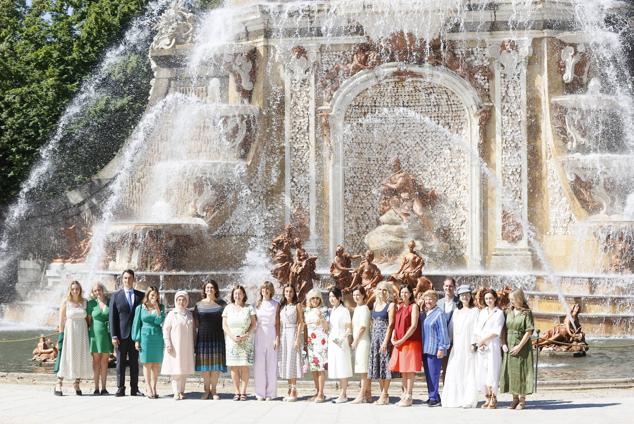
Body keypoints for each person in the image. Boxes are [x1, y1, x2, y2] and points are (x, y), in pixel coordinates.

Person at [442, 284, 480, 408]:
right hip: (458, 346)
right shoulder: (456, 312)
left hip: (469, 345)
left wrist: (475, 343)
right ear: (459, 296)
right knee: (456, 370)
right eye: (462, 295)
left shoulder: (475, 311)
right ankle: (456, 398)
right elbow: (451, 329)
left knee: (469, 371)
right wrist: (446, 343)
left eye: (467, 294)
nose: (465, 297)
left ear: (470, 296)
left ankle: (468, 399)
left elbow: (477, 329)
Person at [109, 269, 144, 396]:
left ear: (134, 279)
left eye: (129, 278)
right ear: (122, 279)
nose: (127, 280)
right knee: (120, 362)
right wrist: (113, 335)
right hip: (120, 335)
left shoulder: (141, 296)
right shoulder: (115, 296)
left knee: (135, 363)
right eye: (125, 278)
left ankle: (134, 388)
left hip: (135, 336)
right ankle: (120, 387)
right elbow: (112, 317)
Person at [54, 281, 92, 396]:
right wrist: (61, 335)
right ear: (70, 290)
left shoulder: (85, 302)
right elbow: (61, 321)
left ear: (80, 290)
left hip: (82, 332)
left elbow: (88, 320)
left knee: (80, 356)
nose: (75, 291)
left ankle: (76, 383)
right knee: (67, 355)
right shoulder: (66, 302)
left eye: (77, 289)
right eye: (73, 289)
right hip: (69, 332)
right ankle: (58, 383)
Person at [499, 288, 535, 410]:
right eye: (510, 299)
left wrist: (519, 346)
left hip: (522, 345)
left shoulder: (526, 313)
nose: (511, 302)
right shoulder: (507, 311)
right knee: (511, 371)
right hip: (509, 343)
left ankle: (522, 400)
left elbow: (529, 331)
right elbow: (503, 329)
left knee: (522, 371)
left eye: (513, 299)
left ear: (519, 299)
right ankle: (514, 399)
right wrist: (503, 343)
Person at [193, 279, 226, 400]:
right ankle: (206, 390)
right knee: (205, 367)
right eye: (207, 288)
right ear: (204, 290)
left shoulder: (222, 304)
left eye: (212, 287)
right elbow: (196, 323)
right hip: (203, 338)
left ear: (216, 289)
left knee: (215, 367)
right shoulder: (198, 305)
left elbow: (226, 321)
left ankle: (214, 390)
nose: (209, 290)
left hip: (217, 337)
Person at [389, 284, 421, 407]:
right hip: (399, 342)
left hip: (410, 341)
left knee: (409, 369)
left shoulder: (414, 307)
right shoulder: (400, 306)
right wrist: (393, 336)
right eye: (402, 292)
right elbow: (395, 324)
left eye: (406, 292)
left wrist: (402, 339)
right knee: (403, 369)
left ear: (410, 294)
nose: (404, 294)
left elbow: (413, 326)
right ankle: (404, 394)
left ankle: (409, 395)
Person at [222, 285, 256, 401]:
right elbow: (224, 325)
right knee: (234, 367)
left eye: (240, 293)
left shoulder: (249, 308)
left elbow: (254, 324)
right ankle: (236, 391)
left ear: (244, 295)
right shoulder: (227, 308)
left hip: (246, 340)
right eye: (235, 294)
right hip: (232, 341)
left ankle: (243, 392)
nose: (237, 296)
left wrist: (247, 334)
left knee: (244, 366)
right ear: (232, 295)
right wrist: (232, 336)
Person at [131, 286, 165, 399]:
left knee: (156, 363)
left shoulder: (161, 307)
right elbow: (136, 324)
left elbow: (159, 321)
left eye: (156, 295)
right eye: (152, 295)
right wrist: (137, 340)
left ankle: (154, 387)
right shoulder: (140, 308)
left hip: (157, 336)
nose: (154, 297)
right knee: (147, 363)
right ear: (147, 295)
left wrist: (157, 308)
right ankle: (148, 387)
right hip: (145, 337)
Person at [474, 288, 505, 409]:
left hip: (492, 344)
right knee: (482, 370)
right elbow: (477, 329)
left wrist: (483, 340)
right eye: (486, 298)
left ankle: (494, 397)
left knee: (492, 370)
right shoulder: (482, 312)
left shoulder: (499, 313)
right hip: (481, 345)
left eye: (491, 298)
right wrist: (479, 341)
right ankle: (486, 396)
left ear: (495, 299)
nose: (488, 300)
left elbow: (496, 331)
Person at [161, 290, 195, 400]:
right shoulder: (172, 314)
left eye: (184, 300)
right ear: (176, 301)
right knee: (175, 369)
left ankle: (182, 391)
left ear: (187, 301)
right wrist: (168, 343)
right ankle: (175, 392)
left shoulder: (189, 314)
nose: (181, 302)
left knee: (184, 369)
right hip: (175, 346)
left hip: (186, 346)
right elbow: (166, 329)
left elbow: (193, 331)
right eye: (179, 300)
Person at [420, 289, 450, 406]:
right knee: (428, 374)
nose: (428, 301)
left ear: (436, 300)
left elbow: (443, 331)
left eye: (430, 299)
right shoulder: (426, 312)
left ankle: (434, 398)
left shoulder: (439, 313)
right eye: (426, 299)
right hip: (426, 348)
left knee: (434, 374)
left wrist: (442, 347)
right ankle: (433, 395)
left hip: (435, 349)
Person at [368, 282, 395, 405]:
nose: (382, 292)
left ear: (388, 291)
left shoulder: (391, 305)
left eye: (385, 289)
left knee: (385, 366)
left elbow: (391, 325)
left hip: (385, 338)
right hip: (375, 339)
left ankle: (384, 394)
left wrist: (385, 342)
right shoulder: (374, 304)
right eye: (380, 289)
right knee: (378, 366)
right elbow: (373, 322)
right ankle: (383, 394)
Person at [278, 284, 304, 402]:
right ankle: (289, 389)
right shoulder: (282, 306)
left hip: (293, 333)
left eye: (291, 292)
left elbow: (300, 322)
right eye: (286, 291)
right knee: (285, 361)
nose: (288, 294)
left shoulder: (297, 305)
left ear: (294, 293)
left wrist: (298, 338)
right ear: (284, 293)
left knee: (292, 361)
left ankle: (294, 390)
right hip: (283, 334)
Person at [86, 282, 114, 395]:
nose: (97, 292)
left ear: (103, 289)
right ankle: (96, 388)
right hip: (94, 335)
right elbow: (88, 320)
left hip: (106, 335)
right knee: (96, 362)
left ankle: (104, 388)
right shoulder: (91, 303)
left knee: (104, 362)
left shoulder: (110, 301)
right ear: (93, 293)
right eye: (95, 291)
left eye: (99, 290)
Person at [254, 281, 280, 401]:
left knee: (271, 364)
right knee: (259, 364)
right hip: (259, 333)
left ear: (271, 290)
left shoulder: (276, 304)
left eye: (267, 289)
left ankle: (270, 393)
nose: (265, 291)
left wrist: (277, 338)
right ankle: (260, 393)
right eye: (263, 289)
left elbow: (278, 323)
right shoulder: (257, 304)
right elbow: (253, 322)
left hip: (271, 332)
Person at [327, 287, 353, 403]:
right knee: (337, 366)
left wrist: (341, 339)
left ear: (339, 298)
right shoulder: (333, 310)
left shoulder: (344, 310)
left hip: (341, 342)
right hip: (333, 341)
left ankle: (343, 395)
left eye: (333, 296)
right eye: (330, 297)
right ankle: (342, 393)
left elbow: (349, 328)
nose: (331, 299)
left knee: (343, 367)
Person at [304, 288, 328, 403]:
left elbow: (327, 327)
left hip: (321, 340)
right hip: (310, 342)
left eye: (317, 298)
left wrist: (321, 317)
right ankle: (317, 391)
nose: (315, 300)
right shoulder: (307, 310)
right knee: (314, 368)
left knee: (321, 368)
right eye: (312, 298)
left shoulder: (324, 309)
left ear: (320, 299)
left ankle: (321, 393)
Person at [351, 287, 371, 403]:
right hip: (359, 342)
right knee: (362, 369)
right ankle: (368, 394)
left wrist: (355, 341)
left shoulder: (364, 308)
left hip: (363, 342)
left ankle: (362, 395)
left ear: (363, 295)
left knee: (363, 371)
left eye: (358, 295)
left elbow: (363, 327)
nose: (356, 297)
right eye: (354, 295)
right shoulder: (357, 308)